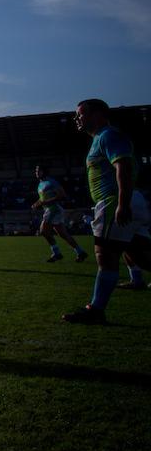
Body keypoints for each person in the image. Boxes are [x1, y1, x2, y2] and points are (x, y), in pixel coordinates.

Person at [63, 99, 151, 323]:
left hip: (114, 202)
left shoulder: (108, 136)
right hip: (126, 200)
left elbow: (123, 166)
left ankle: (96, 310)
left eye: (81, 114)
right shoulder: (101, 139)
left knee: (106, 255)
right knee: (139, 253)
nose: (77, 119)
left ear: (98, 114)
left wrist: (122, 203)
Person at [32, 165, 88, 263]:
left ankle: (56, 253)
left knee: (43, 231)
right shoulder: (41, 184)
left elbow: (62, 195)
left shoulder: (51, 182)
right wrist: (36, 203)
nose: (36, 173)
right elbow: (42, 199)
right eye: (36, 171)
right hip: (50, 209)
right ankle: (80, 252)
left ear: (44, 171)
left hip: (53, 209)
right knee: (63, 234)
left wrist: (45, 202)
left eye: (38, 171)